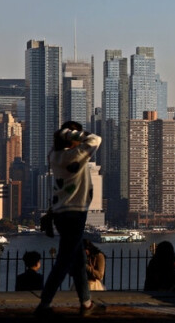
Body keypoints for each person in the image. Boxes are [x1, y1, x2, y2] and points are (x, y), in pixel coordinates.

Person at [34, 121, 104, 317]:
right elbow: (96, 139)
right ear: (70, 137)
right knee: (64, 261)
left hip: (61, 213)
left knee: (79, 260)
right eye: (74, 135)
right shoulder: (75, 155)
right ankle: (44, 304)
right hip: (75, 214)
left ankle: (86, 303)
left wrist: (66, 135)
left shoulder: (54, 156)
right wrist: (72, 134)